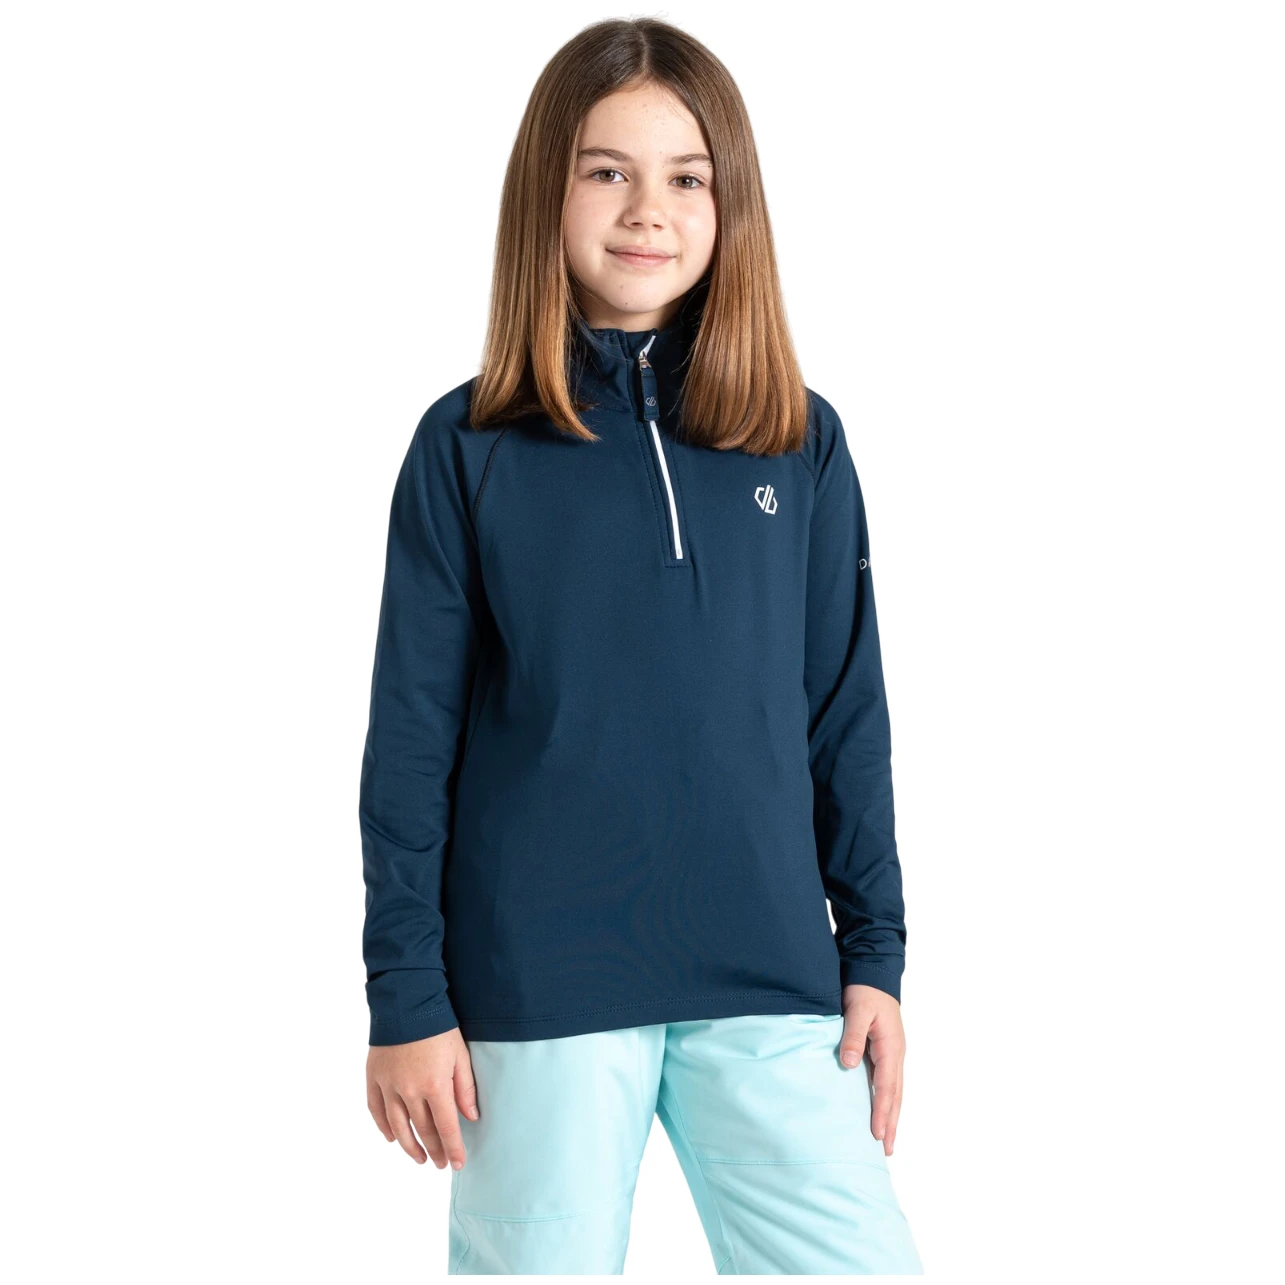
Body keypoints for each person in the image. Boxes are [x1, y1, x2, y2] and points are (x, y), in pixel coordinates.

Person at [359, 16, 923, 1276]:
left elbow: (843, 714)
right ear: (545, 190)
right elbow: (409, 743)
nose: (646, 211)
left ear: (731, 203)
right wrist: (406, 994)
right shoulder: (467, 446)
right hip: (536, 983)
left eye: (685, 177)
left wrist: (874, 955)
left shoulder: (798, 439)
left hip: (771, 974)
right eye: (605, 170)